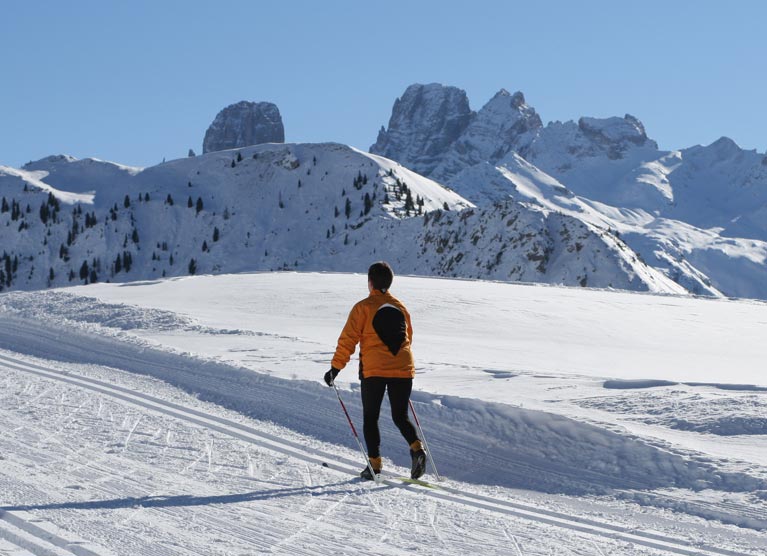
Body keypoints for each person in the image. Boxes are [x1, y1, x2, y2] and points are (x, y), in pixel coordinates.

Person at [324, 262, 426, 480]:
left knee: (371, 417)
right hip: (403, 367)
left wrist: (335, 368)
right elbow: (408, 336)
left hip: (374, 370)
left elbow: (348, 340)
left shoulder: (363, 307)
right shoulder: (400, 306)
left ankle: (374, 465)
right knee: (400, 415)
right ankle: (417, 449)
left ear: (370, 282)